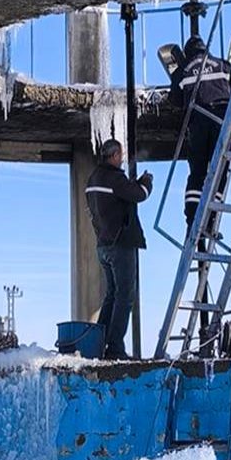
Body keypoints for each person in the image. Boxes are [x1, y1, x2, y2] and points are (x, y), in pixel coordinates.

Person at [85, 139, 154, 360]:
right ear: (114, 156)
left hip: (103, 245)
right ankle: (115, 348)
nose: (122, 159)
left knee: (111, 295)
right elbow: (139, 195)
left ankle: (98, 343)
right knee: (125, 296)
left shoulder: (93, 179)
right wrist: (146, 182)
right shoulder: (115, 178)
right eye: (120, 155)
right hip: (120, 244)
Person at [169, 36, 231, 228]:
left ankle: (193, 220)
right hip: (222, 122)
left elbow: (174, 100)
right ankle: (212, 217)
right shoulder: (223, 65)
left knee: (197, 171)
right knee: (220, 169)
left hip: (197, 123)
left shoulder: (183, 70)